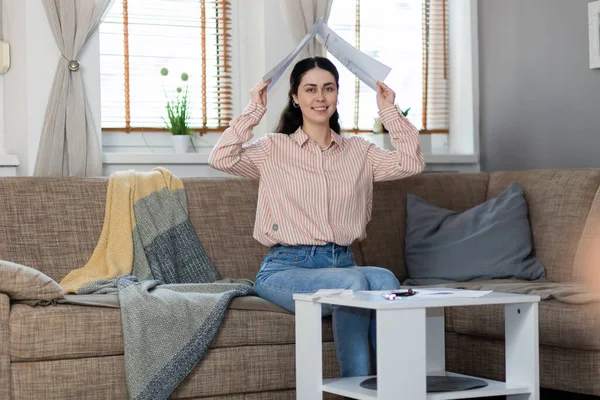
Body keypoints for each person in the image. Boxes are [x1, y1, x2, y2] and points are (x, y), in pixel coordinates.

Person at [209, 56, 425, 377]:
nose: (320, 97)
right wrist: (254, 109)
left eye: (328, 88)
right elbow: (221, 157)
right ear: (295, 97)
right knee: (353, 283)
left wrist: (388, 110)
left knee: (384, 280)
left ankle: (393, 388)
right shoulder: (274, 149)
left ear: (338, 94)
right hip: (286, 268)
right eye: (310, 89)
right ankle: (358, 390)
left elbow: (411, 163)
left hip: (342, 261)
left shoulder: (359, 152)